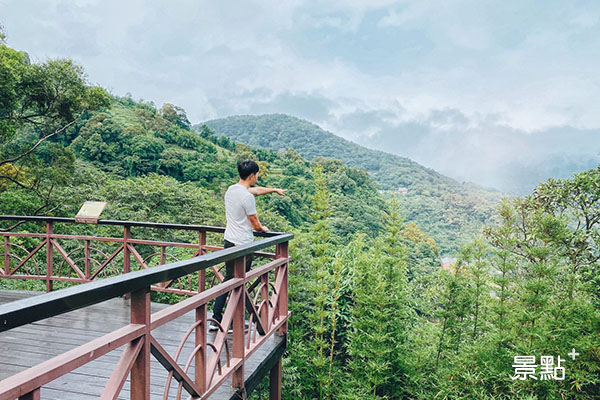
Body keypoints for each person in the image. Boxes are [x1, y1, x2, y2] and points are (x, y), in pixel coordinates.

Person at [209, 160, 286, 331]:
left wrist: (273, 190)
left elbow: (256, 191)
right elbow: (255, 224)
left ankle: (216, 318)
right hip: (242, 245)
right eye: (257, 174)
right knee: (238, 283)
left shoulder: (232, 190)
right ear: (252, 175)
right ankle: (230, 324)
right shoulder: (246, 197)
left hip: (229, 242)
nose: (258, 177)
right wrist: (263, 228)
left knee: (229, 280)